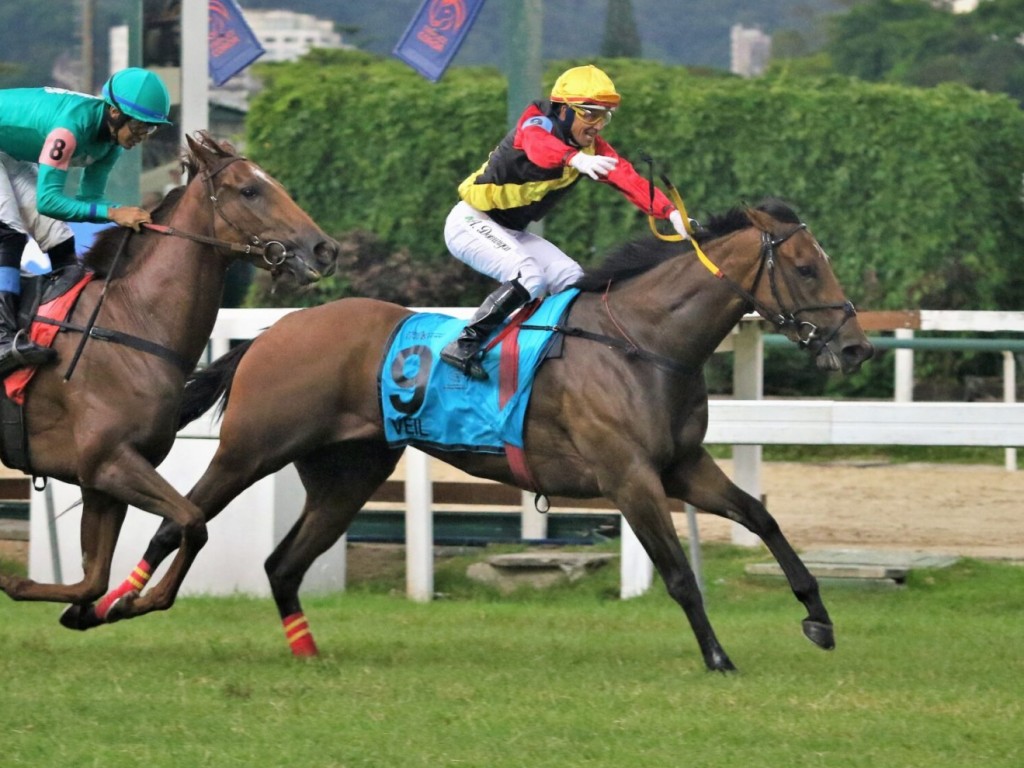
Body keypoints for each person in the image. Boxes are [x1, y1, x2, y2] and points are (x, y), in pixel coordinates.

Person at [440, 64, 691, 380]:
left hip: (511, 231)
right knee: (529, 277)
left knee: (573, 280)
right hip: (470, 222)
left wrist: (670, 214)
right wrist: (575, 159)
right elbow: (539, 149)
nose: (598, 125)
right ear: (563, 110)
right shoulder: (535, 124)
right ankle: (464, 345)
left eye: (604, 116)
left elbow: (627, 177)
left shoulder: (589, 148)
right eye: (590, 114)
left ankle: (548, 354)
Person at [0, 66, 172, 377]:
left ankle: (61, 324)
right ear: (115, 114)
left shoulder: (111, 144)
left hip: (8, 151)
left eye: (150, 130)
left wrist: (125, 211)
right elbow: (49, 201)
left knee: (59, 238)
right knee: (9, 231)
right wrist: (113, 212)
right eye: (139, 128)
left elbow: (89, 198)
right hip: (6, 150)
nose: (142, 137)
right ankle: (0, 339)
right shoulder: (69, 130)